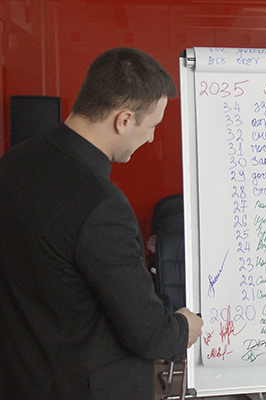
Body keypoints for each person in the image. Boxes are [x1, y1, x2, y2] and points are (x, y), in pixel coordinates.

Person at [0, 47, 203, 399]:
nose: (151, 138)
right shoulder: (102, 206)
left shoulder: (13, 162)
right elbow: (148, 334)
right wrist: (183, 328)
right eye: (152, 125)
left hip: (20, 376)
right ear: (124, 120)